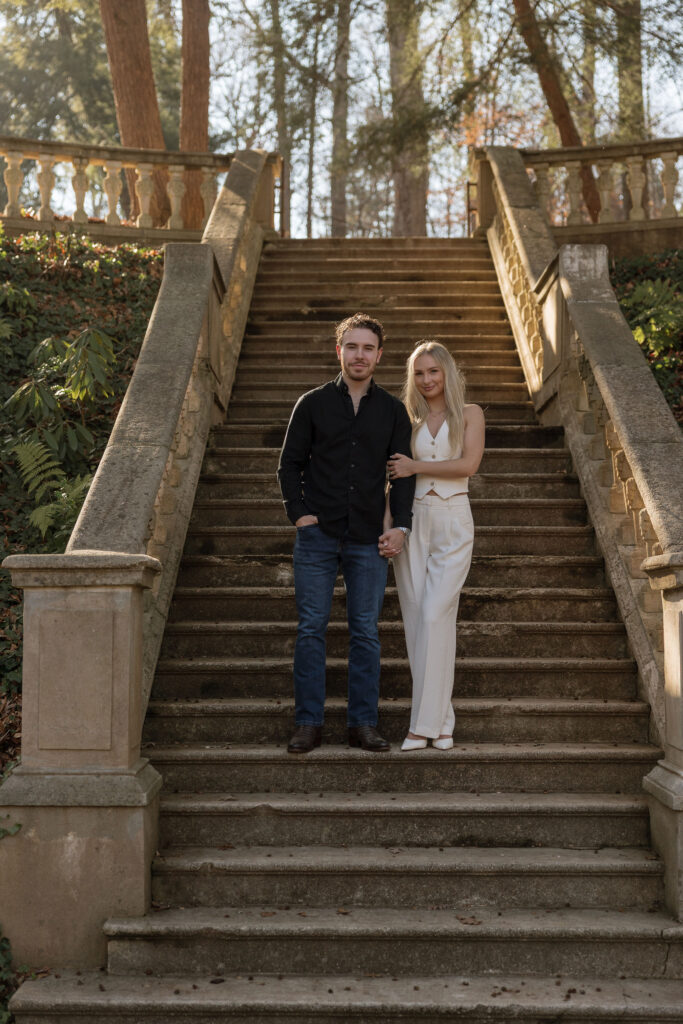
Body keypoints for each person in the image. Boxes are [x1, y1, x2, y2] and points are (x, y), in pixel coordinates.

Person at [277, 312, 416, 754]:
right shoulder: (312, 403)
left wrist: (401, 526)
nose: (360, 355)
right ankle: (308, 724)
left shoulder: (393, 411)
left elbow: (403, 474)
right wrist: (299, 514)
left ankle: (363, 725)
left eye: (368, 348)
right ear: (339, 351)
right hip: (317, 535)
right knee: (311, 629)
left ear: (379, 355)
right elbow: (289, 465)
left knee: (365, 633)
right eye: (352, 347)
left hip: (368, 538)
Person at [386, 341, 485, 750]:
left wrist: (416, 466)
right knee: (417, 621)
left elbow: (468, 465)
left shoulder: (470, 414)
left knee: (433, 613)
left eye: (433, 371)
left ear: (447, 372)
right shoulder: (405, 419)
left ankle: (419, 727)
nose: (426, 380)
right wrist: (389, 525)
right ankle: (442, 723)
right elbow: (391, 478)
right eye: (419, 373)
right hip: (412, 521)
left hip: (453, 519)